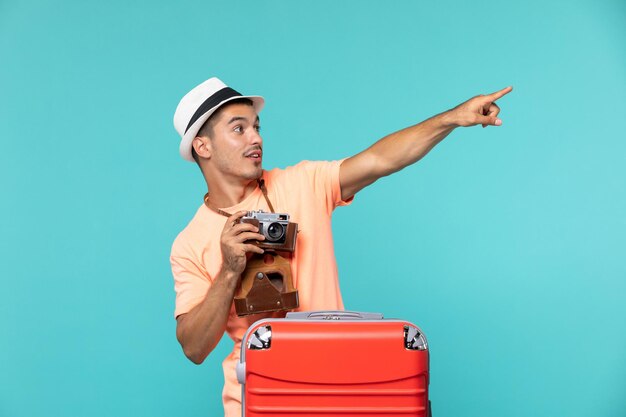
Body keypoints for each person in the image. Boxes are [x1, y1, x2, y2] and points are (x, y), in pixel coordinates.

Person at [170, 77, 512, 416]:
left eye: (257, 126)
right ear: (203, 147)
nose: (256, 138)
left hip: (339, 390)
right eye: (238, 129)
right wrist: (230, 270)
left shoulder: (302, 183)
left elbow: (380, 160)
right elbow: (194, 347)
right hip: (262, 399)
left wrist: (451, 118)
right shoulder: (190, 243)